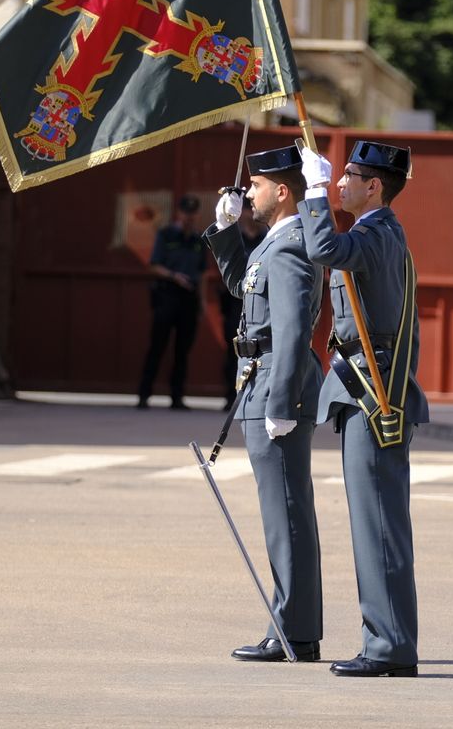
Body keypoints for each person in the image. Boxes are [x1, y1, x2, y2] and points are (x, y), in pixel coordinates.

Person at [297, 141, 428, 679]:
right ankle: (387, 640)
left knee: (377, 523)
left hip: (373, 392)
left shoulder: (375, 234)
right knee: (373, 520)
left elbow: (324, 250)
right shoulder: (377, 233)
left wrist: (309, 195)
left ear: (375, 186)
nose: (338, 184)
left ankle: (389, 646)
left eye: (347, 176)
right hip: (363, 386)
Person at [204, 147, 325, 664]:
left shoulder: (292, 245)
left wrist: (283, 399)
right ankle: (292, 623)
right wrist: (226, 230)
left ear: (283, 191)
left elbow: (296, 328)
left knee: (286, 511)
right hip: (261, 376)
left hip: (275, 379)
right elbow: (241, 285)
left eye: (255, 187)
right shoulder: (272, 245)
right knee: (281, 508)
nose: (246, 194)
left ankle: (294, 630)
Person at [136, 195, 207, 410]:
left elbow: (202, 273)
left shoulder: (198, 240)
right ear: (179, 214)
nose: (189, 218)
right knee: (157, 346)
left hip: (189, 299)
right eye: (186, 213)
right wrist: (174, 276)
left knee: (182, 350)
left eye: (192, 214)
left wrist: (202, 302)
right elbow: (153, 265)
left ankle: (177, 397)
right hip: (167, 295)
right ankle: (144, 395)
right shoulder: (166, 235)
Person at [216, 211, 268, 410]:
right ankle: (231, 396)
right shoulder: (237, 239)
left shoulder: (268, 238)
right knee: (233, 351)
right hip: (235, 304)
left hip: (260, 305)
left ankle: (252, 396)